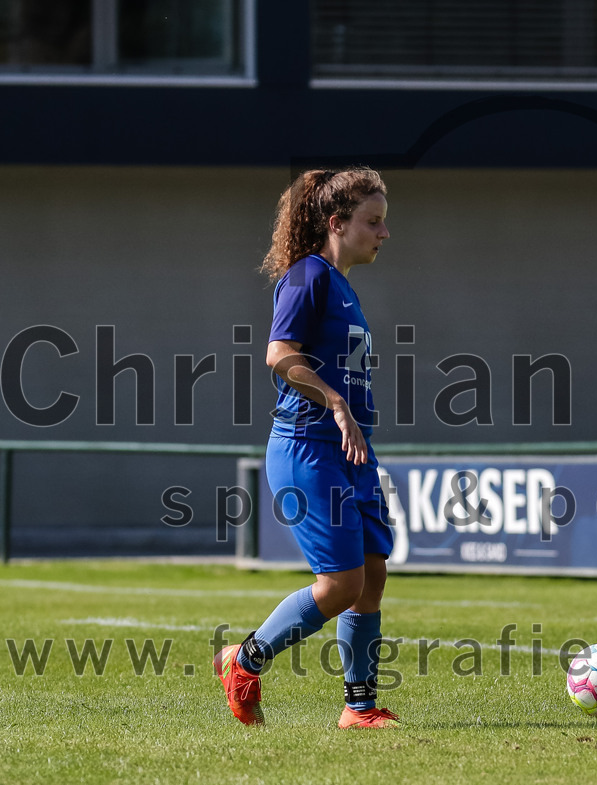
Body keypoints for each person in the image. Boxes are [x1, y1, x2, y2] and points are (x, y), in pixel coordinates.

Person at [214, 167, 399, 729]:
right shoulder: (307, 276)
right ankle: (244, 661)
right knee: (340, 585)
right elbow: (279, 354)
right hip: (308, 448)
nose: (383, 233)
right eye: (373, 221)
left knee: (371, 575)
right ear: (337, 223)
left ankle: (359, 708)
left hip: (350, 453)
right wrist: (336, 403)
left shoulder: (341, 285)